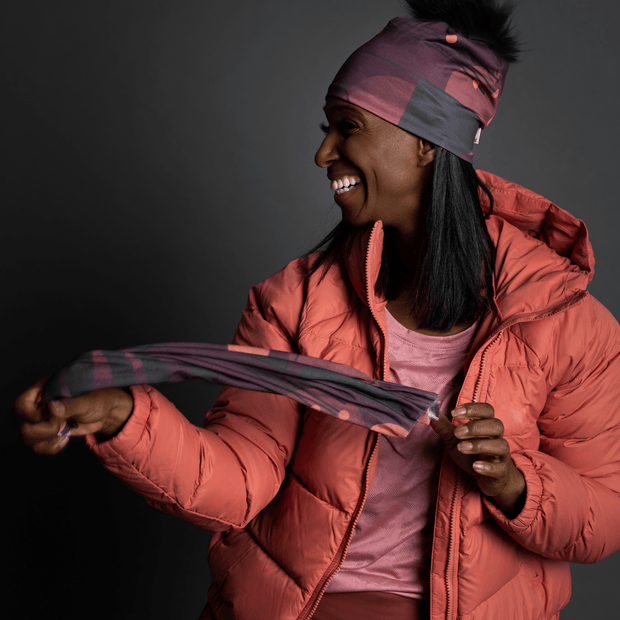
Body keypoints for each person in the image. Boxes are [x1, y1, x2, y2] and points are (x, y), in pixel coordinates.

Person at [14, 1, 620, 619]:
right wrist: (125, 418)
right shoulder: (293, 303)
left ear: (426, 144)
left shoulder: (567, 324)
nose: (323, 152)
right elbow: (239, 482)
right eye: (326, 126)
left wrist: (514, 484)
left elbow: (604, 518)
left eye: (347, 125)